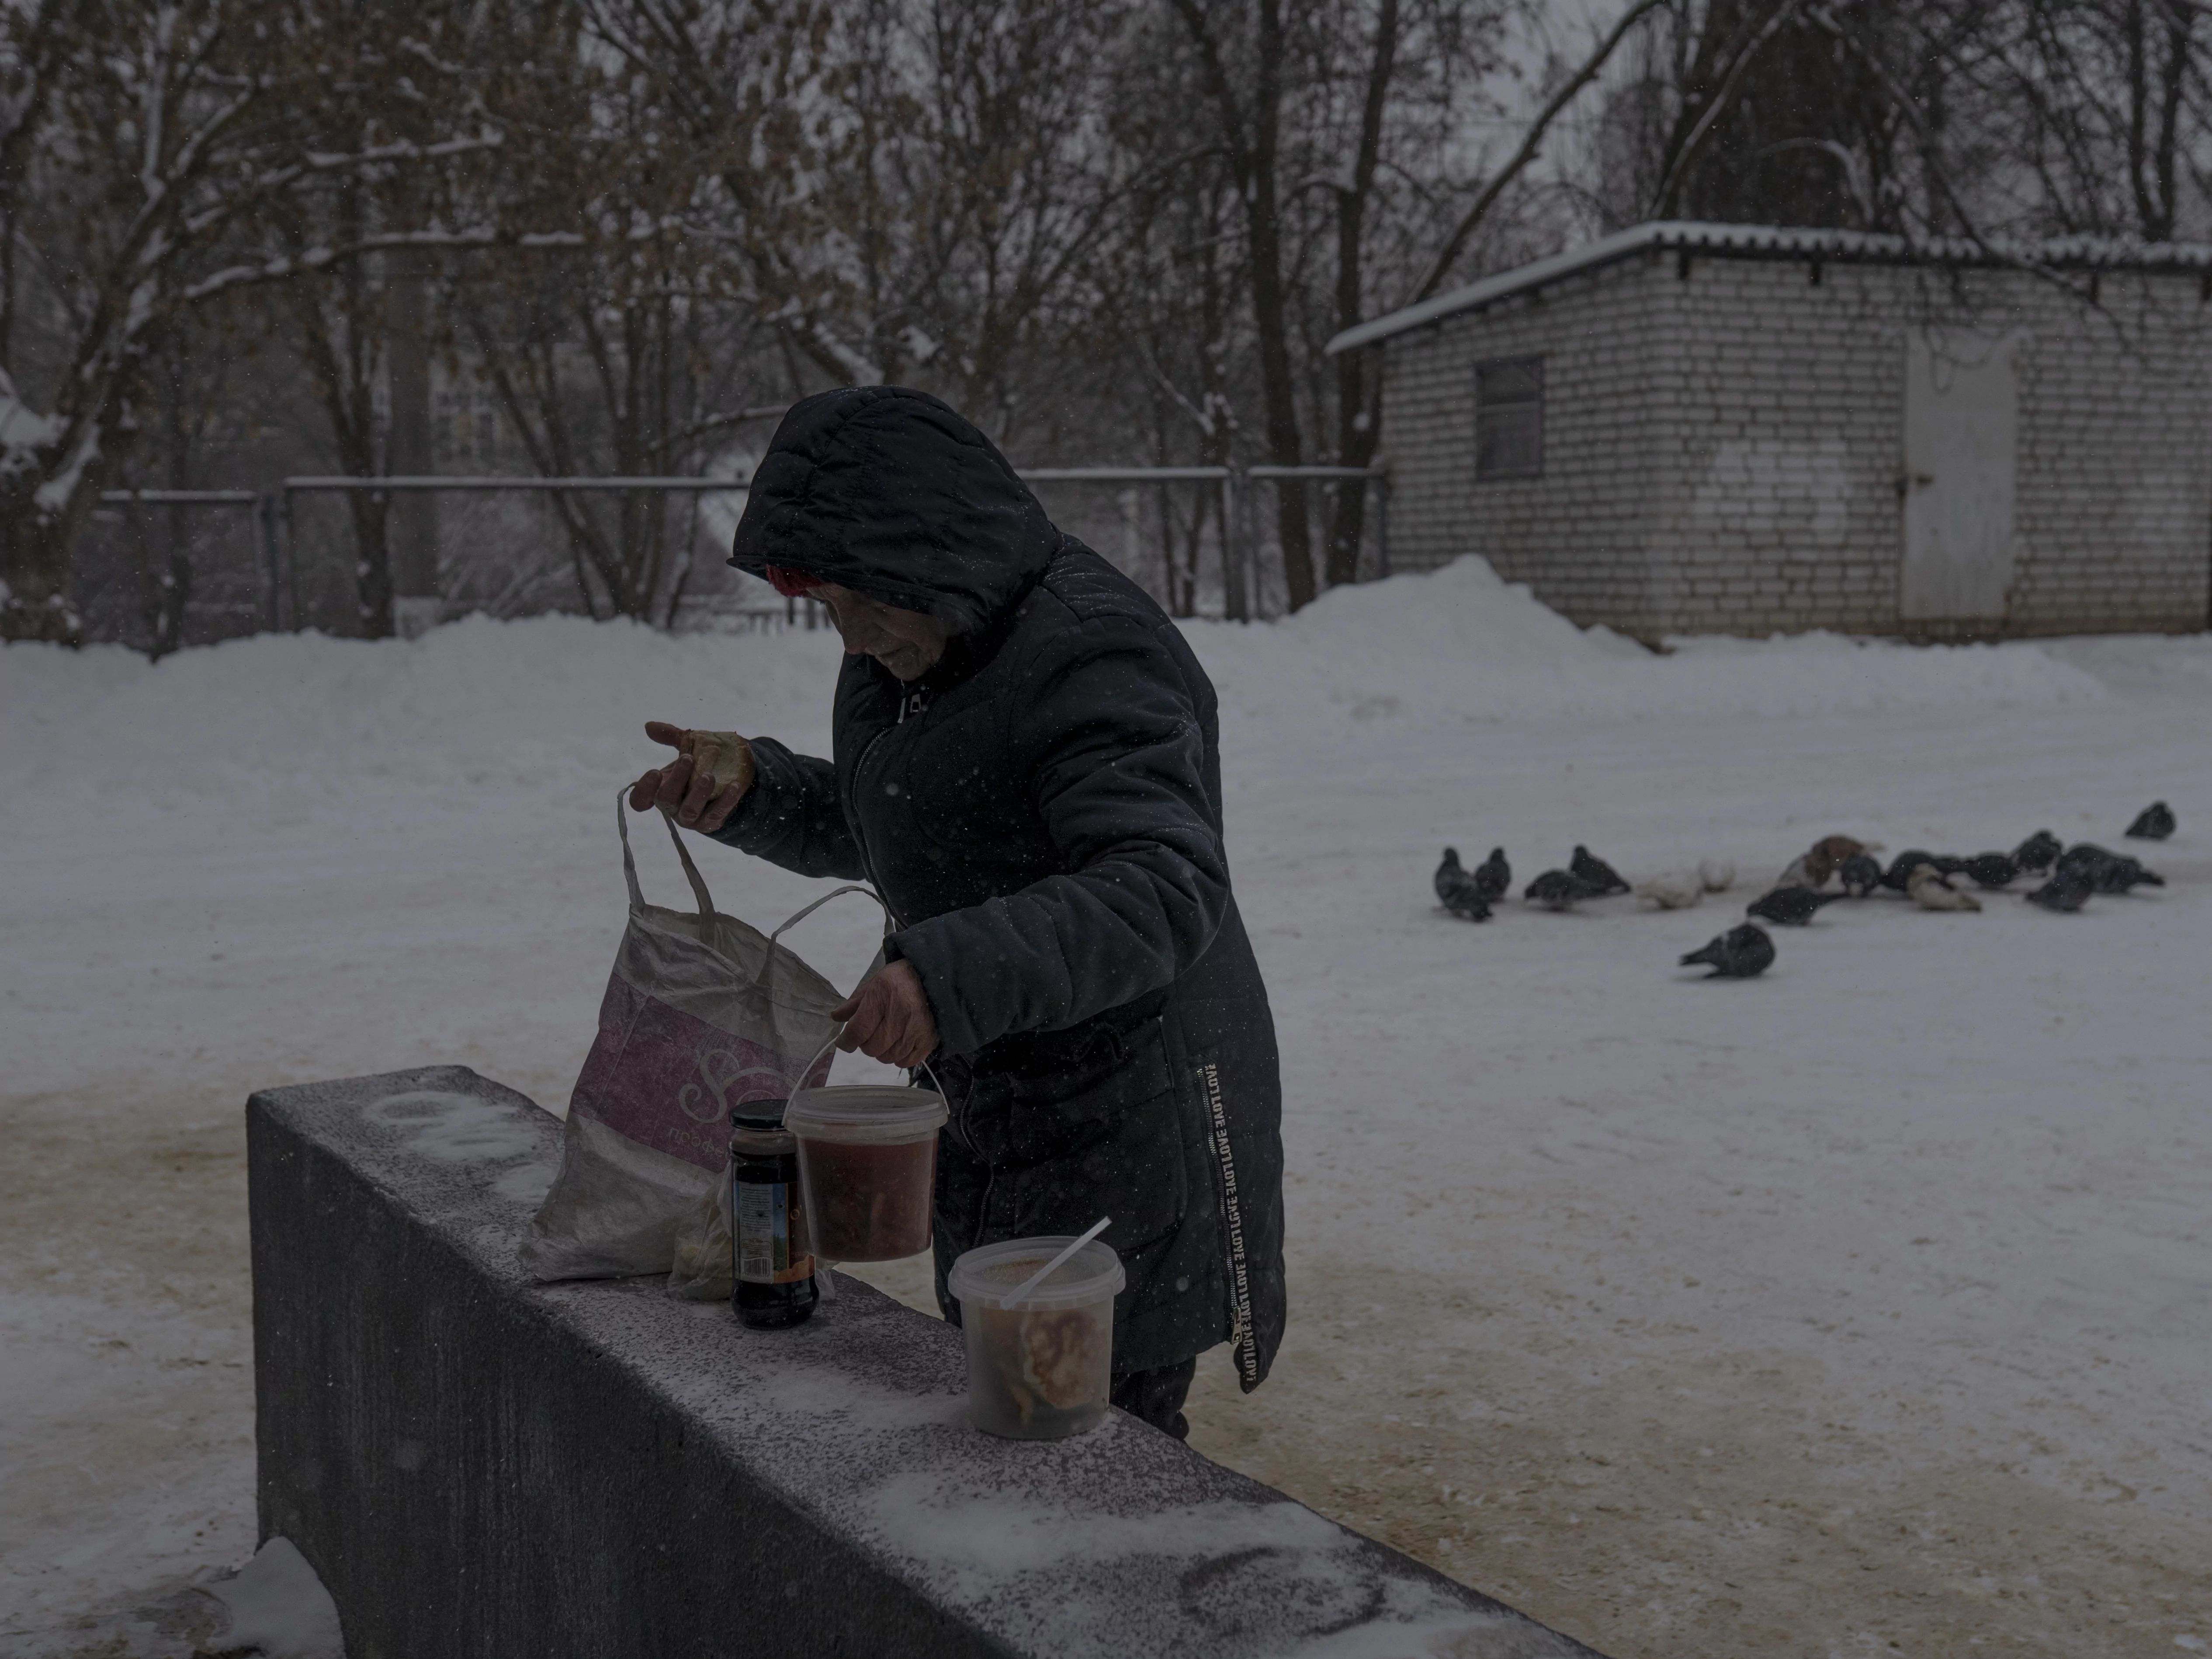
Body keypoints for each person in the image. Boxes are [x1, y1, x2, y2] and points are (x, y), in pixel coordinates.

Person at [628, 386, 1284, 1436]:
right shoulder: (910, 645)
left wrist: (944, 976)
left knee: (1091, 1455)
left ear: (931, 556)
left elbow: (1163, 883)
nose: (850, 633)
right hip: (1003, 1104)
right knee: (1008, 1428)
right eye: (828, 605)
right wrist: (755, 790)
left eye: (864, 600)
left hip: (1128, 1121)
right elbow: (922, 822)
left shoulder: (1093, 651)